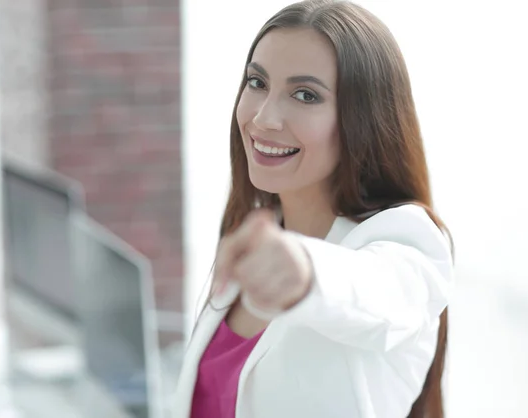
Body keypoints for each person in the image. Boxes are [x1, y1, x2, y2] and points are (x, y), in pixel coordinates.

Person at [172, 1, 454, 417]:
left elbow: (377, 294)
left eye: (305, 95)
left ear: (364, 120)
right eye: (257, 83)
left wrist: (304, 271)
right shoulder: (257, 233)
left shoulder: (407, 243)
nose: (264, 118)